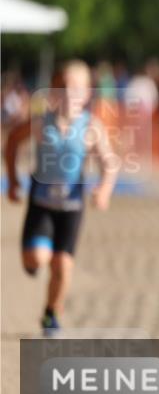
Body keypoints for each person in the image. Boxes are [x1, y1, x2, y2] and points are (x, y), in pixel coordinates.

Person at [4, 60, 118, 336]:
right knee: (37, 260)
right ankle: (32, 261)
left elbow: (109, 162)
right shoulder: (41, 123)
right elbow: (11, 143)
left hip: (71, 206)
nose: (70, 94)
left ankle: (51, 314)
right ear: (53, 91)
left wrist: (104, 189)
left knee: (62, 265)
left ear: (88, 93)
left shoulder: (92, 126)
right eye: (64, 87)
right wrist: (12, 179)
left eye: (78, 88)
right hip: (41, 204)